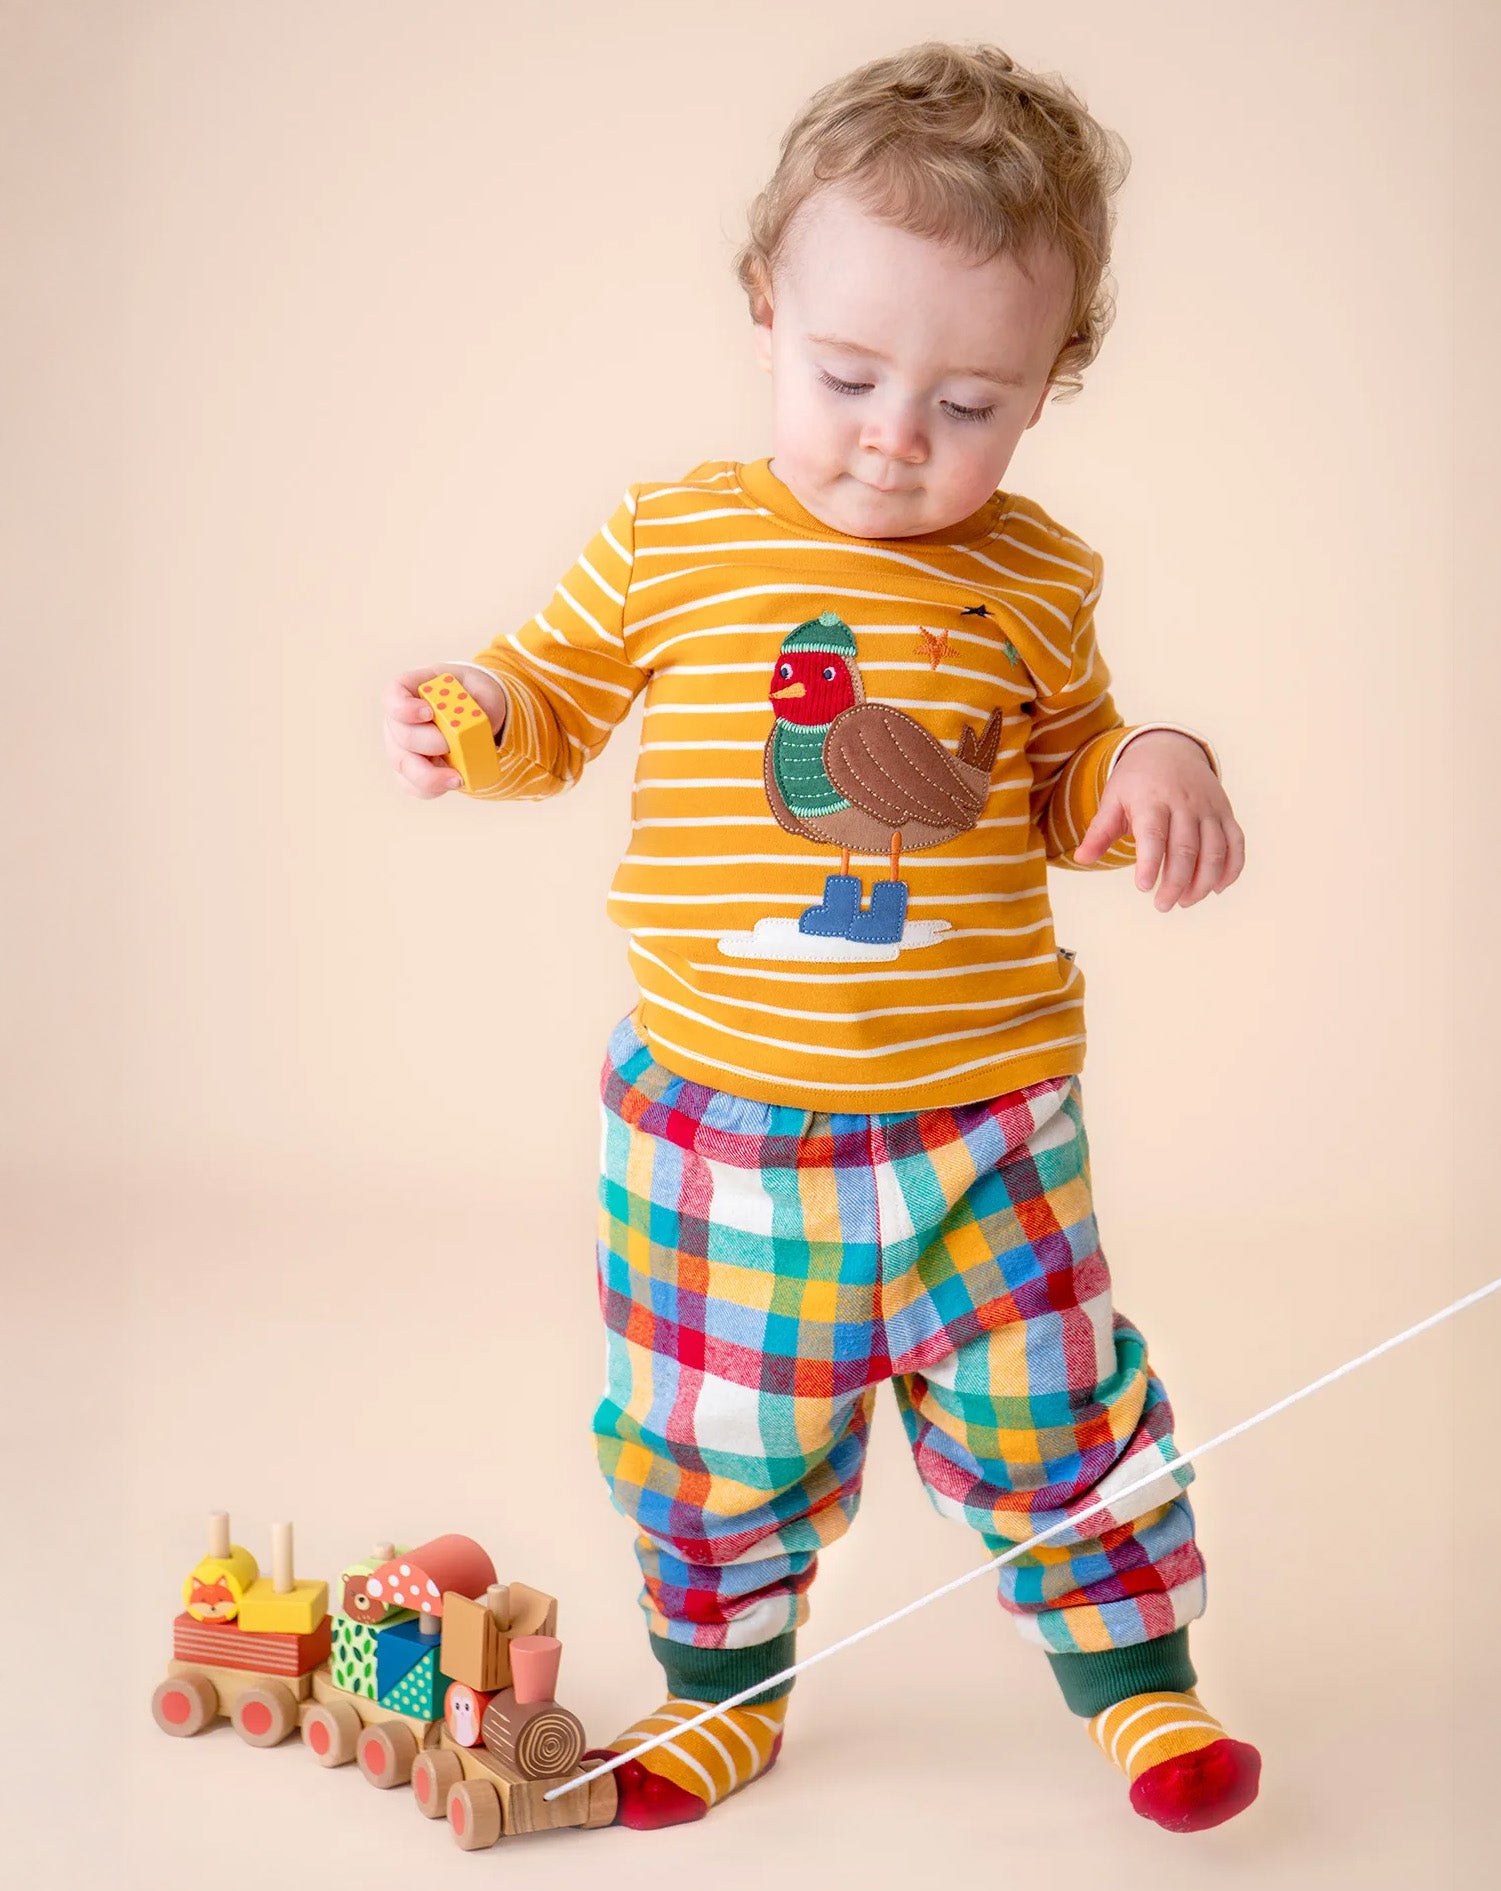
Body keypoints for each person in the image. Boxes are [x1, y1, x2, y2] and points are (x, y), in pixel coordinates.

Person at [381, 39, 1256, 1836]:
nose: (896, 437)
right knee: (719, 1436)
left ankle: (1140, 1683)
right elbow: (552, 694)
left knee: (1054, 1413)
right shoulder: (674, 539)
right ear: (767, 303)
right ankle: (723, 1689)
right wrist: (479, 711)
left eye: (972, 404)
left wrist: (1150, 760)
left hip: (984, 1121)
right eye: (850, 373)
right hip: (721, 1123)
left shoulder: (1035, 579)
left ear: (1049, 388)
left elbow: (1065, 775)